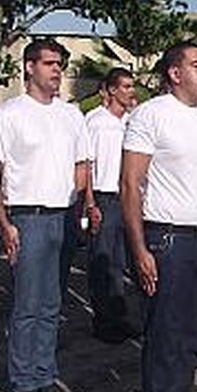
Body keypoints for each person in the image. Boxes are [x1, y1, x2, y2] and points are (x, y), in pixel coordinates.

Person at [0, 38, 93, 392]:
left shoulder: (71, 115)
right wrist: (3, 222)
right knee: (27, 303)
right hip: (27, 217)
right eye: (49, 63)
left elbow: (82, 163)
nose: (57, 70)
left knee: (52, 302)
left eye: (60, 63)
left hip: (62, 214)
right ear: (29, 67)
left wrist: (71, 195)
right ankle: (24, 380)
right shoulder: (10, 114)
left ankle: (46, 375)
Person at [121, 42, 197, 392]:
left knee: (190, 335)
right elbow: (131, 184)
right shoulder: (151, 114)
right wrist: (140, 248)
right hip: (166, 237)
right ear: (174, 73)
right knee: (165, 334)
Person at [84, 67, 138, 344]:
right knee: (103, 260)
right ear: (112, 90)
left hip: (127, 196)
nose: (132, 92)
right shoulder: (95, 122)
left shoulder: (131, 121)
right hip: (104, 197)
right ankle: (103, 320)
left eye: (132, 86)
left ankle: (119, 315)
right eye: (126, 86)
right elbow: (87, 165)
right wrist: (90, 203)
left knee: (120, 261)